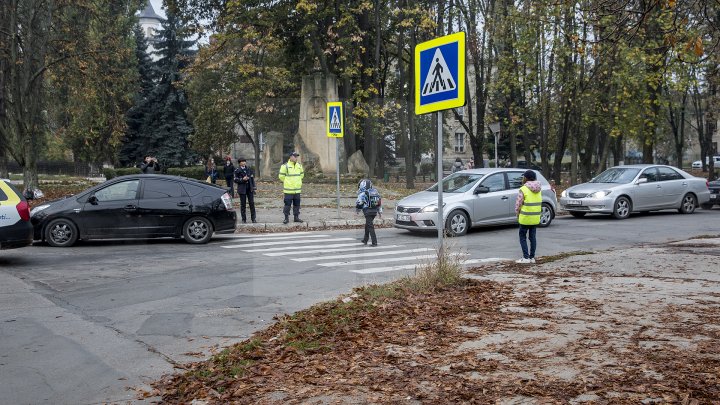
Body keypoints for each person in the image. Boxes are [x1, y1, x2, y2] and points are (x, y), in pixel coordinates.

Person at [515, 170, 542, 264]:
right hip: (535, 218)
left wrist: (517, 213)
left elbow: (518, 204)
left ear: (526, 178)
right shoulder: (539, 189)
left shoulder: (523, 189)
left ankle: (525, 257)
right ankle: (532, 257)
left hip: (525, 217)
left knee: (522, 237)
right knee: (532, 237)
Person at [278, 151, 304, 224]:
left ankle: (296, 217)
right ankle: (286, 218)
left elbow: (302, 175)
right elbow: (281, 177)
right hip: (288, 190)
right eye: (295, 156)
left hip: (297, 190)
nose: (296, 158)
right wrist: (288, 182)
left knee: (297, 205)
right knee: (287, 205)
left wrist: (298, 182)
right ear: (290, 157)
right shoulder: (285, 166)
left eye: (296, 156)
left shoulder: (299, 165)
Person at [355, 179, 382, 246]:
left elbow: (359, 203)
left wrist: (357, 211)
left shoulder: (362, 194)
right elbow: (379, 202)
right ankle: (365, 240)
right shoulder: (375, 192)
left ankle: (374, 242)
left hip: (367, 211)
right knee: (368, 225)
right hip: (374, 211)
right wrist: (380, 212)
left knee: (370, 226)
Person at [234, 158, 257, 223]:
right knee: (243, 205)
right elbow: (235, 179)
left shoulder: (249, 169)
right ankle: (244, 219)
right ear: (239, 163)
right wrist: (242, 179)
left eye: (244, 161)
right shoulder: (237, 170)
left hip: (249, 188)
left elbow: (252, 179)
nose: (244, 163)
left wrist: (254, 187)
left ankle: (253, 219)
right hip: (242, 189)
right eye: (242, 162)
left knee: (252, 204)